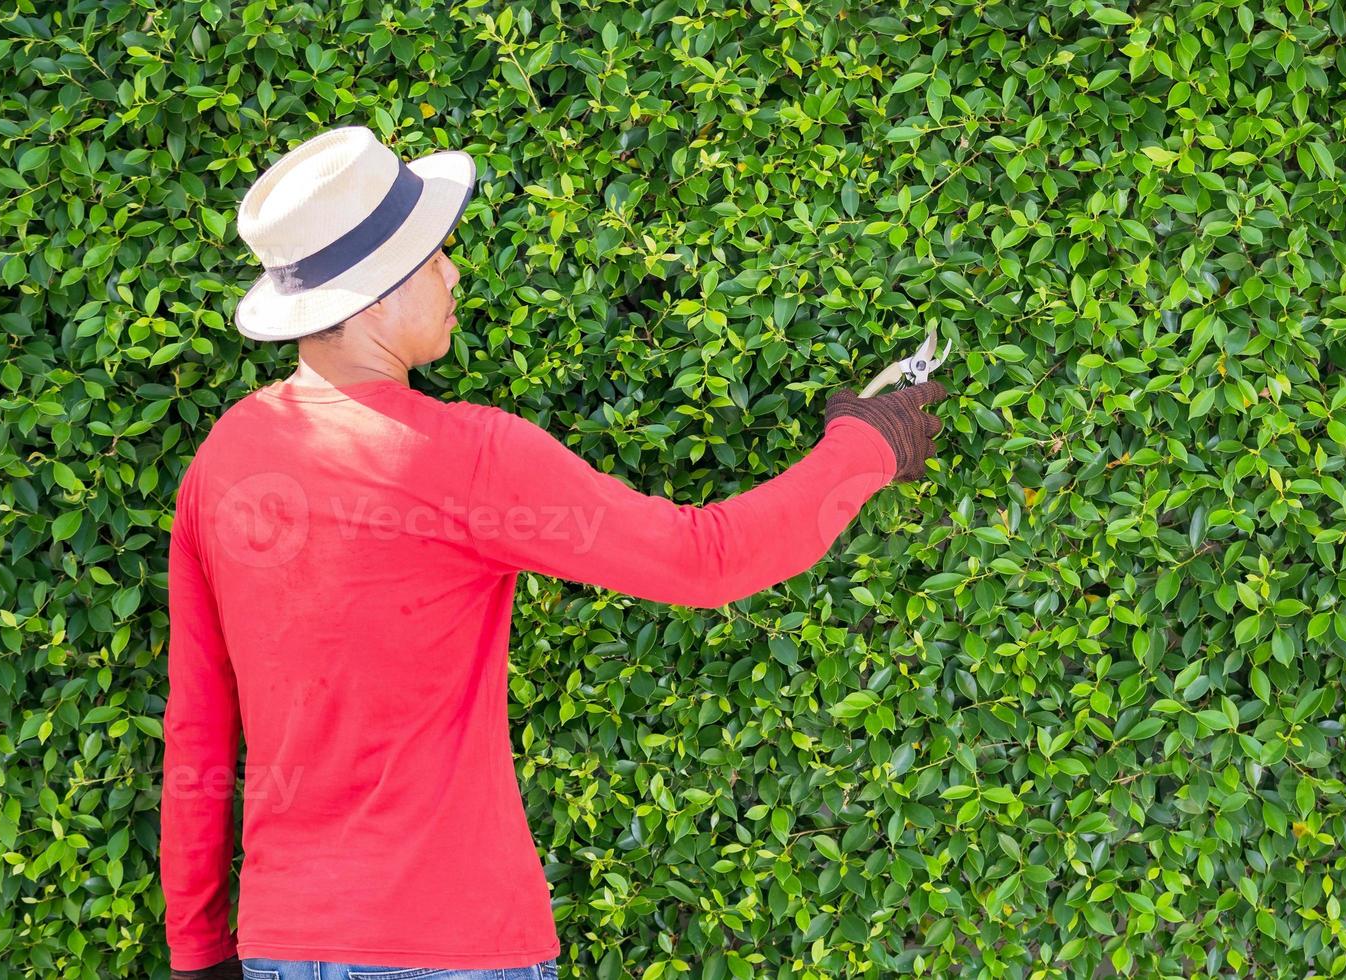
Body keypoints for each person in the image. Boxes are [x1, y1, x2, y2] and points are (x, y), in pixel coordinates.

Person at [161, 126, 949, 979]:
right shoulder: (466, 457)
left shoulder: (225, 460)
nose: (453, 270)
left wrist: (199, 950)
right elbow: (706, 559)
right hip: (455, 945)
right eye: (432, 256)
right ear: (373, 299)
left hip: (287, 945)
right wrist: (868, 448)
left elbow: (198, 727)